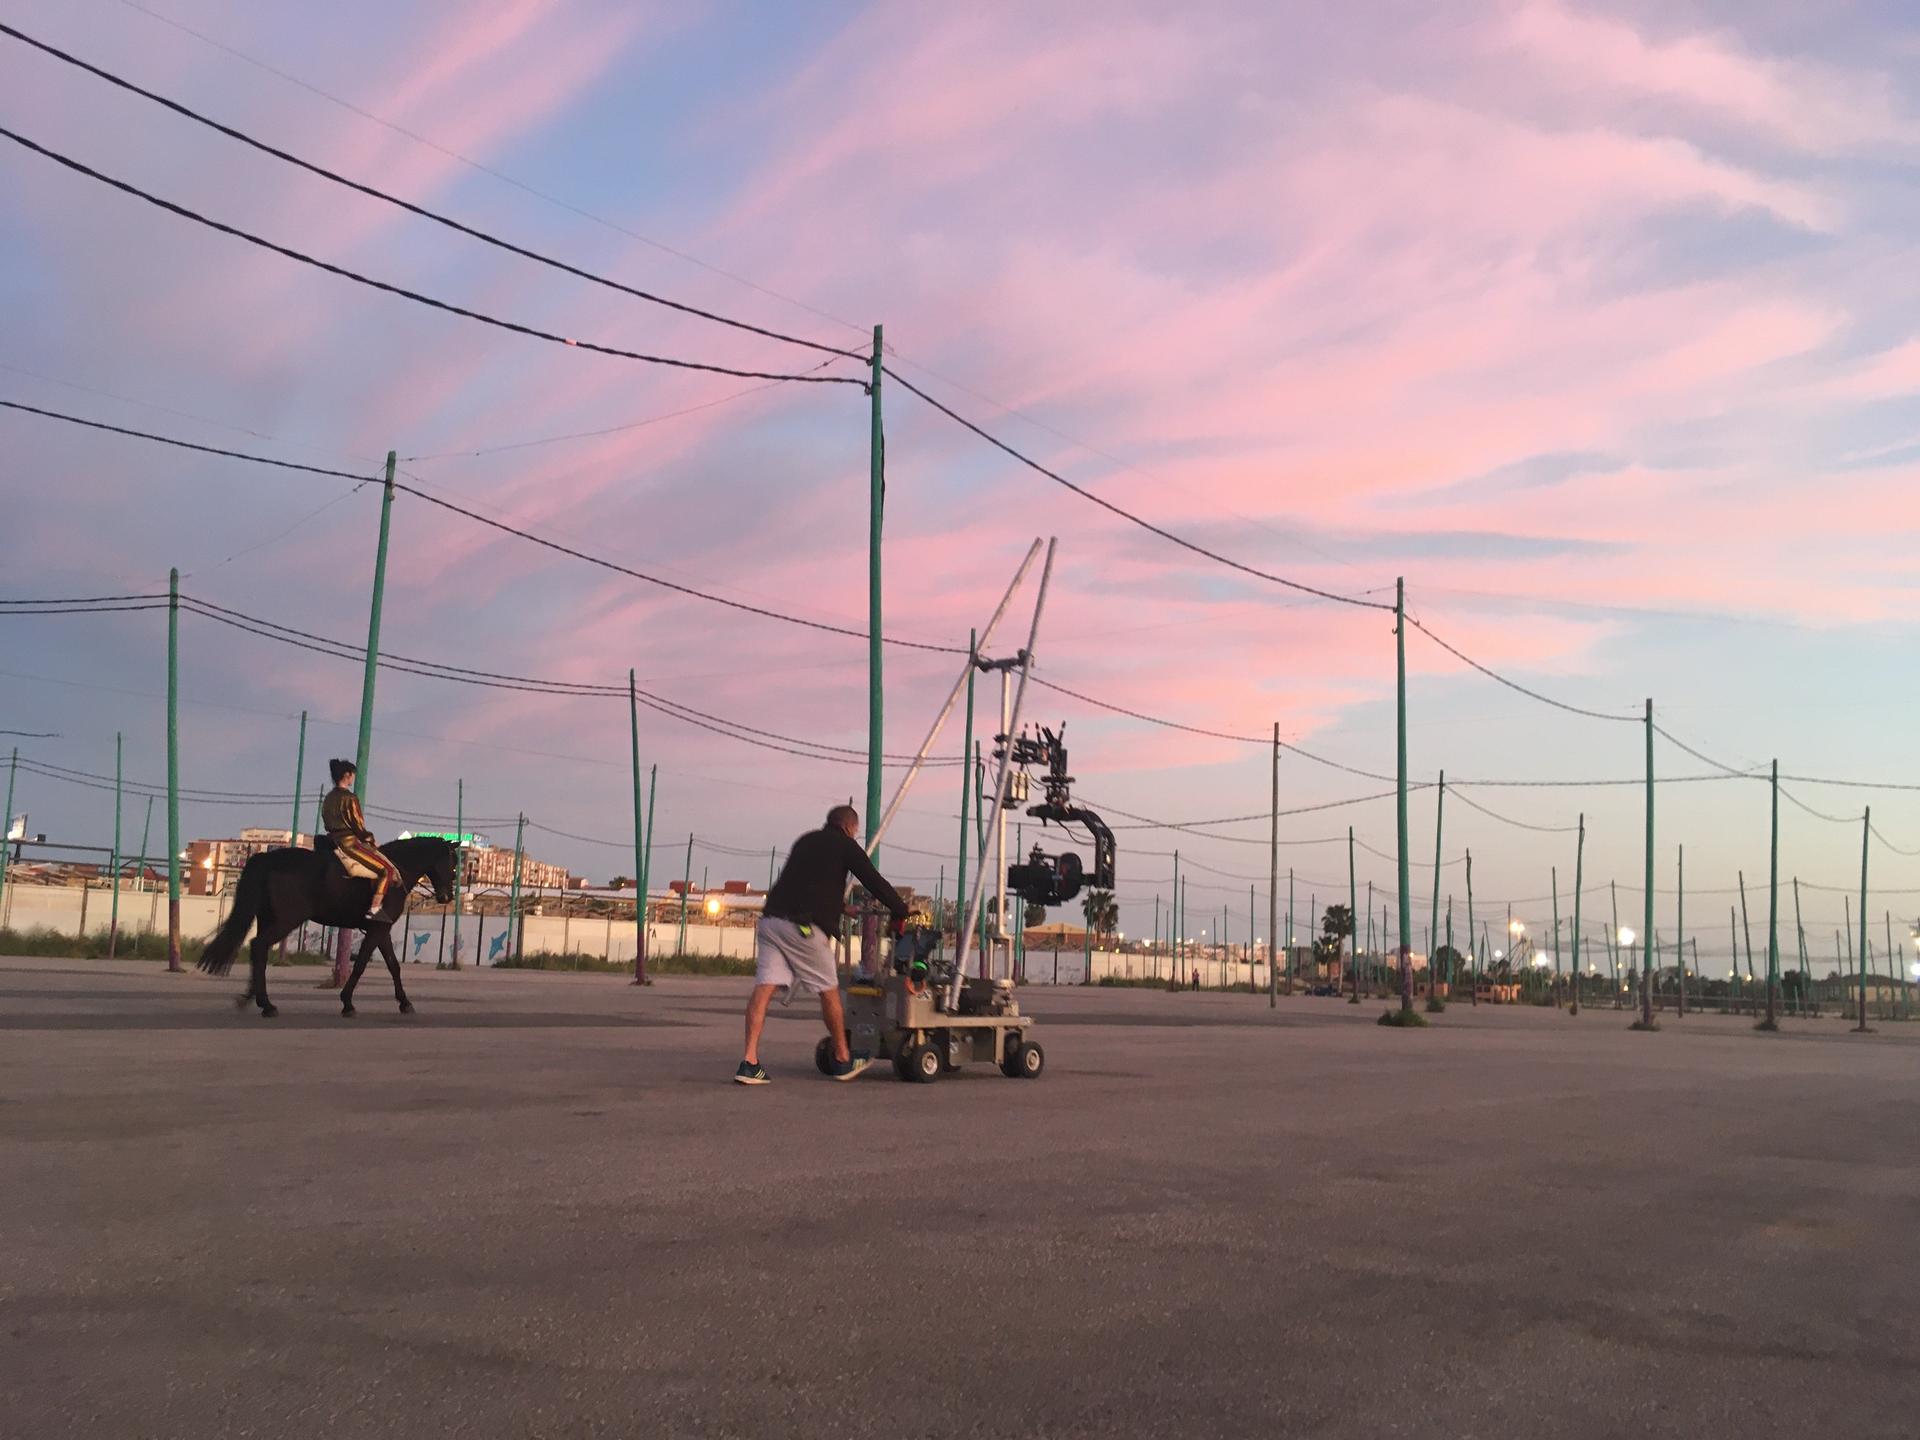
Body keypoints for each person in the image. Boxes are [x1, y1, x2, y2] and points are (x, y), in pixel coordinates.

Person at [736, 804, 907, 1084]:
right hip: (803, 929)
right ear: (850, 827)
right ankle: (842, 1058)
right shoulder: (846, 846)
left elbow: (805, 885)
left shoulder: (806, 840)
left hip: (771, 922)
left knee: (763, 989)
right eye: (855, 830)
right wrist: (900, 909)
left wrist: (840, 908)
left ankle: (749, 1062)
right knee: (829, 991)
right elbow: (872, 881)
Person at [320, 759, 402, 919]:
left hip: (331, 839)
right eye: (352, 776)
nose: (353, 779)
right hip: (349, 844)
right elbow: (357, 825)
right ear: (347, 775)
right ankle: (375, 909)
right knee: (387, 871)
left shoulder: (329, 797)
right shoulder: (350, 798)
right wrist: (370, 839)